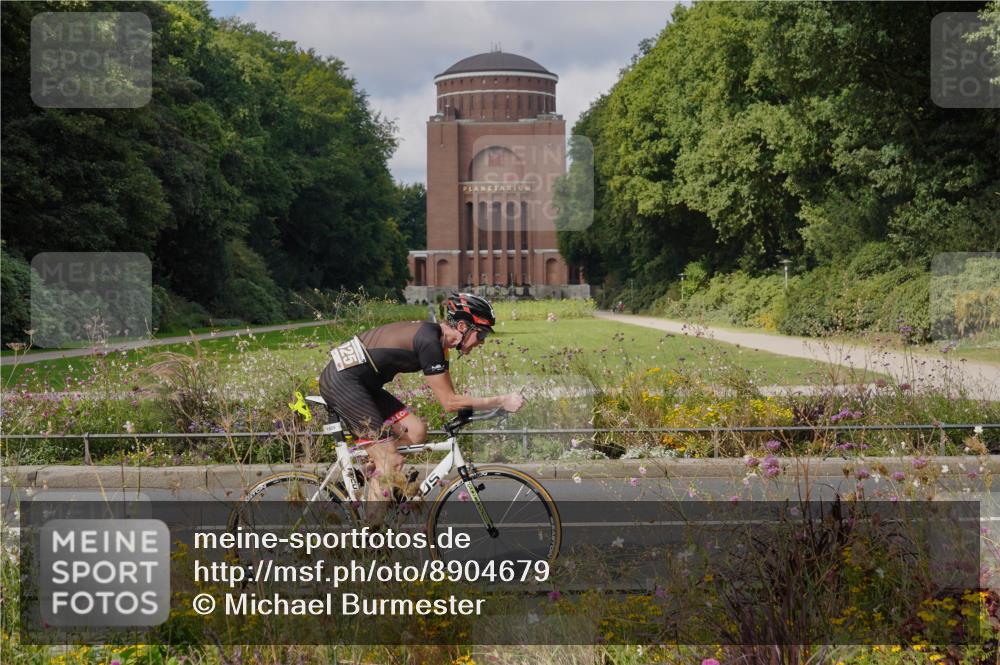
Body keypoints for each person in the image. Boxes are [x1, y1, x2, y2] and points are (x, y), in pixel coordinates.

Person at [318, 293, 524, 508]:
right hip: (343, 383)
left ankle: (371, 467)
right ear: (463, 326)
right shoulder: (429, 341)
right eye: (480, 335)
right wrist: (501, 400)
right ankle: (372, 536)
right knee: (391, 462)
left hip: (362, 383)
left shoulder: (438, 342)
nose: (481, 342)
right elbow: (450, 402)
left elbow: (451, 397)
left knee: (416, 431)